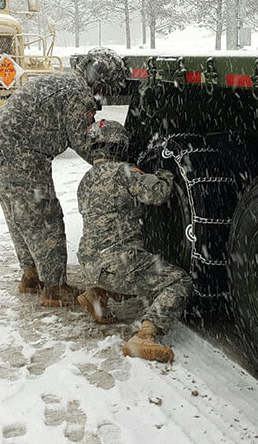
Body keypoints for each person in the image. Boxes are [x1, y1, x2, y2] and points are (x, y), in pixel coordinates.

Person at [0, 47, 127, 307]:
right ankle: (54, 288)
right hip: (20, 151)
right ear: (101, 79)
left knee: (20, 213)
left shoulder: (64, 80)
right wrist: (113, 159)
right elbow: (83, 141)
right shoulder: (79, 94)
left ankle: (32, 275)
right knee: (43, 217)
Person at [75, 120, 193, 363]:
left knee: (123, 272)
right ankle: (145, 336)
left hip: (90, 262)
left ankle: (97, 295)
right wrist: (164, 173)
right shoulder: (124, 172)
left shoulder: (85, 180)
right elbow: (158, 193)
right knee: (178, 281)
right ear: (119, 146)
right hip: (119, 263)